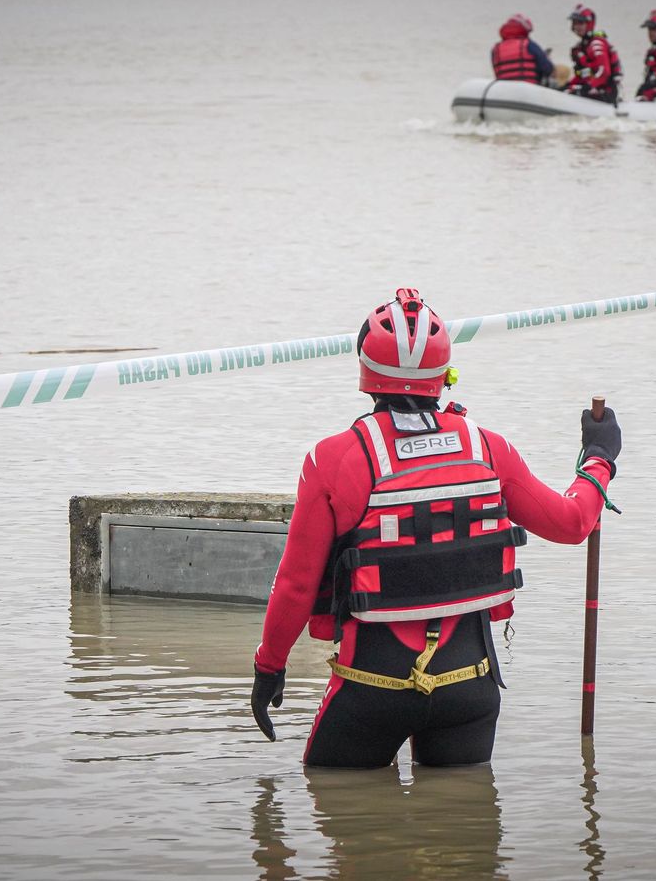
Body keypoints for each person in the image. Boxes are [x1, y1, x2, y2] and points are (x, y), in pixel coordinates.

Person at [249, 288, 621, 768]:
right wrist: (600, 459)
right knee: (462, 833)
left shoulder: (334, 460)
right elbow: (572, 523)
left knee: (344, 821)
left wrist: (269, 667)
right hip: (471, 690)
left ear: (365, 370)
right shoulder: (488, 449)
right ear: (444, 373)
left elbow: (296, 586)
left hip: (370, 692)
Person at [564, 4, 622, 103]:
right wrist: (566, 85)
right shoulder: (579, 47)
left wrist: (588, 87)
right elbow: (581, 75)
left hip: (605, 92)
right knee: (568, 89)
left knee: (576, 92)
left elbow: (604, 73)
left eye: (581, 23)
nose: (577, 26)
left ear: (589, 24)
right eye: (575, 23)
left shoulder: (596, 44)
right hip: (591, 89)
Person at [490, 13, 554, 86]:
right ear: (524, 30)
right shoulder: (529, 44)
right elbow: (547, 68)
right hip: (529, 88)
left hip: (505, 90)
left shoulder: (495, 49)